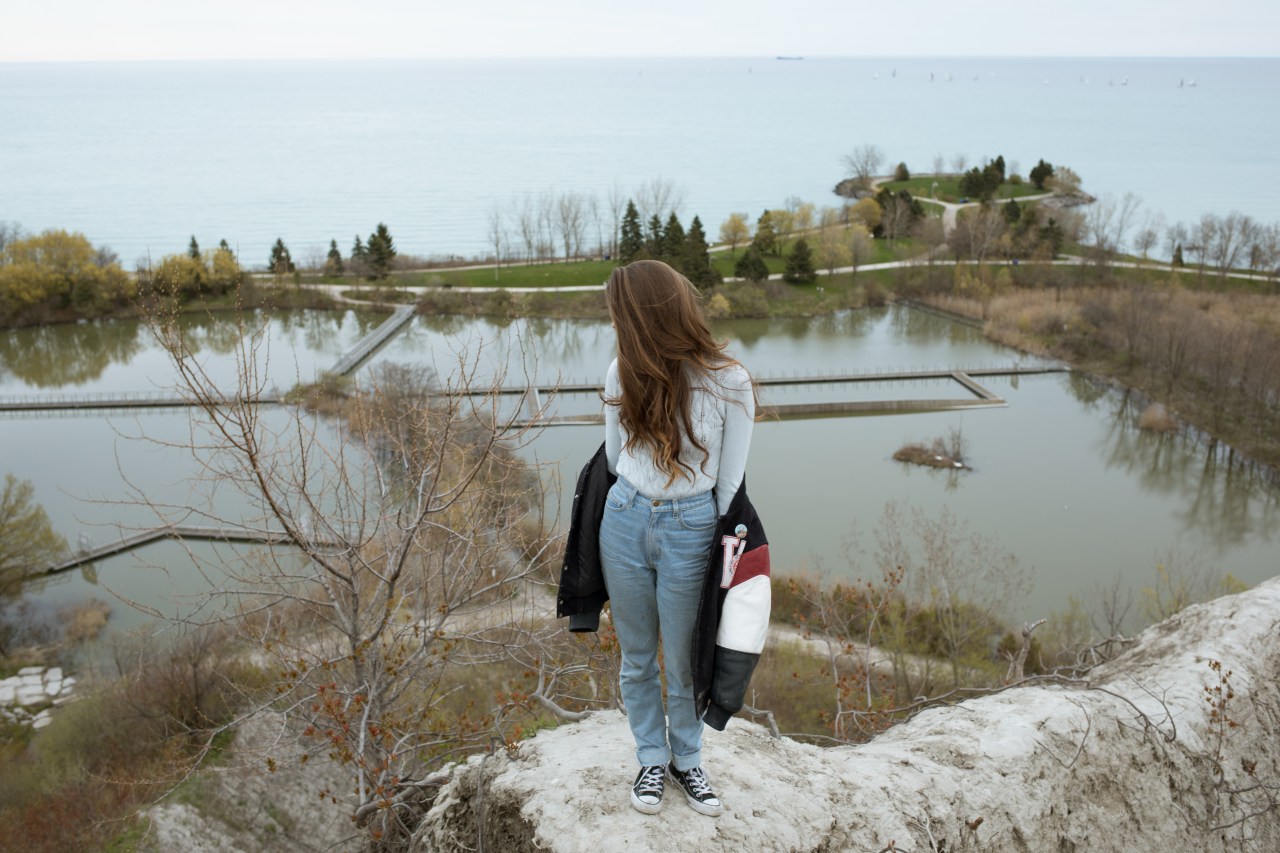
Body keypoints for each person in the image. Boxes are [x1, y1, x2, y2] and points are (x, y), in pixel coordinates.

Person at [599, 259, 755, 817]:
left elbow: (730, 483)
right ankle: (650, 757)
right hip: (623, 520)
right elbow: (615, 461)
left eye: (620, 312)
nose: (615, 322)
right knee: (637, 656)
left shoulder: (729, 380)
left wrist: (691, 522)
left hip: (693, 526)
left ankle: (686, 760)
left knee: (686, 659)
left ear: (643, 314)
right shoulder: (623, 372)